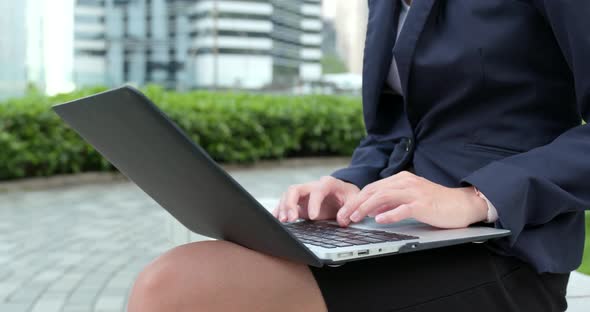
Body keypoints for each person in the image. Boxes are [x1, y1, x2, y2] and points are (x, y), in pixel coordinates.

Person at [127, 0, 590, 311]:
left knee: (180, 285)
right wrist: (352, 182)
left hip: (503, 249)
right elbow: (400, 130)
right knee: (182, 276)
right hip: (393, 231)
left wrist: (475, 196)